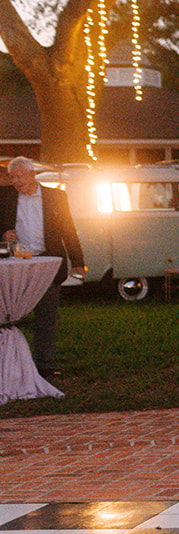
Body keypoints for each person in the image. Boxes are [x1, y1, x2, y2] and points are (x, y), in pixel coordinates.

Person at [0, 157, 87, 377]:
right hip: (16, 265)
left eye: (20, 176)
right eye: (13, 177)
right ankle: (10, 365)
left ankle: (44, 366)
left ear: (32, 174)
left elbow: (69, 230)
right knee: (9, 316)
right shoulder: (5, 197)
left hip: (48, 264)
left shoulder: (56, 197)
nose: (16, 181)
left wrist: (77, 262)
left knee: (46, 316)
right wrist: (3, 235)